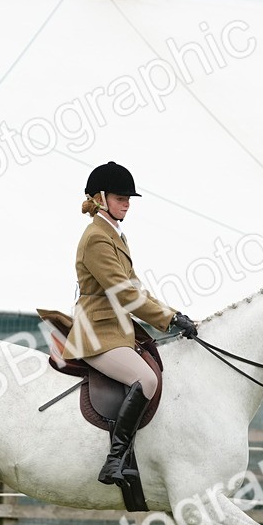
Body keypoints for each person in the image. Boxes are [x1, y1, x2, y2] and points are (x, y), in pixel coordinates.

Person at [62, 161, 198, 487]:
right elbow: (123, 293)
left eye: (128, 198)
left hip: (116, 331)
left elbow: (136, 288)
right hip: (97, 334)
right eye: (121, 197)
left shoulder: (115, 235)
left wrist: (174, 314)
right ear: (101, 197)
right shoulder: (97, 237)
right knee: (146, 380)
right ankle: (115, 459)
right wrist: (166, 319)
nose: (127, 203)